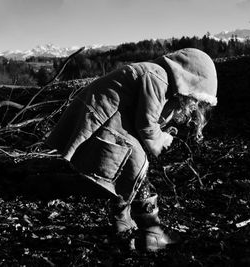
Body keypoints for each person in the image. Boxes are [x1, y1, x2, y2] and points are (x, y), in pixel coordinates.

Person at [46, 48, 218, 251]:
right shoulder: (156, 78)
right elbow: (146, 125)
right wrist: (162, 139)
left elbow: (144, 115)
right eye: (197, 100)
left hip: (111, 117)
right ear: (190, 80)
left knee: (126, 170)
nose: (194, 106)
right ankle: (151, 233)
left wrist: (162, 130)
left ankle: (122, 222)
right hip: (104, 116)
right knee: (136, 167)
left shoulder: (160, 79)